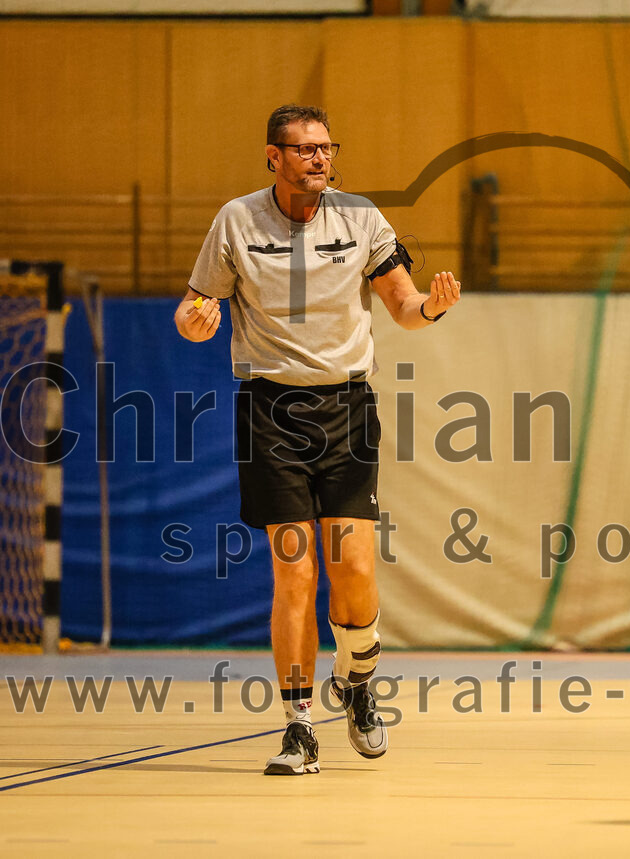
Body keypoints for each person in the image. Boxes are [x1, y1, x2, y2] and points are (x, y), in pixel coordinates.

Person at [174, 104, 461, 775]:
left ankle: (356, 681)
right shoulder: (236, 221)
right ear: (273, 156)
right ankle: (299, 724)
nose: (320, 159)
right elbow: (194, 311)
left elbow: (404, 306)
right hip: (269, 411)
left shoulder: (362, 218)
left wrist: (434, 308)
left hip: (348, 409)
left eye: (327, 148)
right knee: (294, 570)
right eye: (305, 150)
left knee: (354, 567)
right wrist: (195, 320)